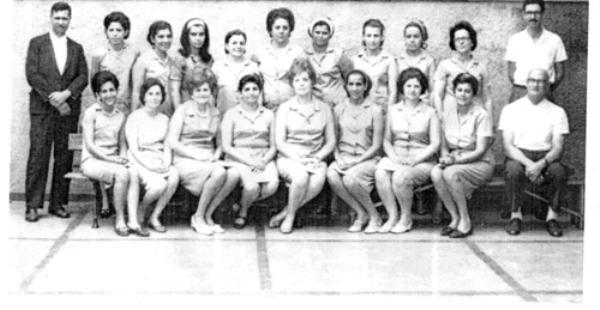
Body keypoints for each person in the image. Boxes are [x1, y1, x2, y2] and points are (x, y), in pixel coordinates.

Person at [24, 1, 88, 222]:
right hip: (42, 110)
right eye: (58, 18)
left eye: (65, 18)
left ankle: (58, 203)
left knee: (64, 157)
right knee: (39, 155)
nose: (61, 22)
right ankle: (32, 205)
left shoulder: (76, 48)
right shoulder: (37, 44)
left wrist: (66, 94)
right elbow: (32, 74)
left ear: (70, 20)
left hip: (67, 111)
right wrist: (54, 97)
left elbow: (83, 77)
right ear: (51, 18)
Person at [167, 67, 240, 235]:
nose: (202, 93)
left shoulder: (215, 113)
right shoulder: (183, 110)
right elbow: (172, 142)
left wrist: (215, 156)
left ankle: (208, 215)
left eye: (205, 90)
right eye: (198, 90)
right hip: (185, 157)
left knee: (234, 173)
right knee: (220, 173)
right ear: (191, 93)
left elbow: (221, 144)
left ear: (211, 92)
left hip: (208, 158)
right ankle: (198, 217)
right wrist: (196, 155)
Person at [498, 68, 569, 238]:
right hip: (519, 155)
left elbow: (558, 148)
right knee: (513, 171)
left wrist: (541, 164)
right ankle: (515, 216)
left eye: (541, 81)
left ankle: (552, 217)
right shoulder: (511, 109)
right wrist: (530, 165)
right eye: (532, 80)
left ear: (547, 85)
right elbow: (508, 146)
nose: (536, 84)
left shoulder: (557, 112)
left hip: (546, 157)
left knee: (558, 172)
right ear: (526, 83)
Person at [271, 58, 335, 233]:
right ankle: (290, 217)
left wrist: (317, 157)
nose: (301, 84)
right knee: (300, 178)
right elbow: (280, 142)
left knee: (317, 182)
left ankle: (285, 212)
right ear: (292, 83)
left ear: (312, 81)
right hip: (290, 157)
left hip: (315, 157)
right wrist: (297, 158)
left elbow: (330, 141)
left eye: (305, 79)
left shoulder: (324, 108)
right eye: (297, 80)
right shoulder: (285, 108)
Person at [375, 68, 440, 233]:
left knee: (401, 176)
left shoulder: (430, 112)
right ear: (402, 88)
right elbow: (387, 140)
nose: (412, 90)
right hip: (397, 156)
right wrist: (394, 157)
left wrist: (416, 159)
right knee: (381, 172)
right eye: (408, 86)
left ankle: (406, 217)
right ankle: (392, 216)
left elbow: (435, 144)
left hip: (422, 160)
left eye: (416, 86)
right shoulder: (393, 110)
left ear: (422, 89)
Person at [431, 73, 494, 238]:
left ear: (474, 94)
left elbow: (480, 150)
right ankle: (454, 218)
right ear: (453, 92)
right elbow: (444, 144)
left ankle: (465, 220)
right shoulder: (447, 113)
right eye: (459, 90)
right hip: (454, 159)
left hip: (480, 162)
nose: (463, 94)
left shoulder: (481, 114)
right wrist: (445, 157)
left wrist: (453, 161)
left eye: (467, 91)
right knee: (436, 172)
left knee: (451, 173)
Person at [326, 70, 384, 233]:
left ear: (365, 86)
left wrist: (356, 162)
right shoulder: (338, 109)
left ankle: (374, 215)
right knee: (331, 174)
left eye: (359, 84)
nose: (355, 88)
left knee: (351, 178)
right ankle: (361, 213)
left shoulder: (375, 110)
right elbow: (334, 140)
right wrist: (337, 157)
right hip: (344, 157)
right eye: (351, 84)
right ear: (346, 86)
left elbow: (376, 145)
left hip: (367, 158)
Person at [221, 74, 279, 229]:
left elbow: (273, 146)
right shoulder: (231, 114)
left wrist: (264, 161)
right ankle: (243, 212)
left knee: (272, 185)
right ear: (240, 93)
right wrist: (249, 162)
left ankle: (240, 203)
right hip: (239, 158)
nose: (251, 92)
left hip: (263, 157)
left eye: (255, 89)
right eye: (247, 89)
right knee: (252, 187)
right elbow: (226, 146)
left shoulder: (269, 114)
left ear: (260, 92)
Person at [125, 78, 180, 236]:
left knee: (174, 175)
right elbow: (133, 149)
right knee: (158, 186)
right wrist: (149, 165)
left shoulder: (165, 119)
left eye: (158, 94)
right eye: (150, 94)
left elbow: (168, 145)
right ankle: (142, 208)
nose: (154, 97)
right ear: (144, 96)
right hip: (140, 158)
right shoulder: (134, 118)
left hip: (159, 157)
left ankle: (154, 216)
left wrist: (167, 161)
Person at [81, 71, 130, 236]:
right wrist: (110, 159)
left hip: (113, 160)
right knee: (122, 174)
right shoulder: (91, 113)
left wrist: (123, 157)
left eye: (112, 90)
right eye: (104, 91)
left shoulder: (121, 115)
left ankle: (133, 215)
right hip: (93, 161)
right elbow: (90, 144)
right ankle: (120, 220)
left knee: (133, 171)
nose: (109, 94)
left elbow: (122, 143)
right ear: (97, 94)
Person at [505, 0, 567, 102]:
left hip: (544, 92)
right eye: (529, 13)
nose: (532, 17)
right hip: (520, 92)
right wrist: (523, 88)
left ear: (542, 14)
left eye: (536, 13)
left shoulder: (555, 40)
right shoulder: (515, 40)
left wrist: (546, 88)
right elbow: (511, 73)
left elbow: (560, 73)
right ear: (524, 14)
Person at [433, 21, 492, 122]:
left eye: (464, 39)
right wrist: (440, 117)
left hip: (475, 117)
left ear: (472, 42)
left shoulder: (481, 67)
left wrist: (489, 123)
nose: (461, 42)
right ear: (453, 43)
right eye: (457, 39)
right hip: (451, 115)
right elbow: (437, 95)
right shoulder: (445, 65)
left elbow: (487, 99)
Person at [252, 7, 304, 110]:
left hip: (292, 108)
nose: (281, 31)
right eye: (277, 27)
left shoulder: (298, 53)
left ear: (290, 30)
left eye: (285, 28)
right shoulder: (259, 53)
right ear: (270, 29)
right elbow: (254, 81)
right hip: (267, 108)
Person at [90, 11, 139, 114]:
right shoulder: (99, 54)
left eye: (119, 30)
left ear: (125, 32)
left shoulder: (134, 53)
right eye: (111, 30)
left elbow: (136, 83)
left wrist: (134, 110)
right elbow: (94, 82)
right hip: (106, 105)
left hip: (126, 105)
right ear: (106, 31)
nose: (115, 34)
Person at [304, 17, 353, 107]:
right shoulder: (304, 56)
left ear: (330, 35)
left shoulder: (338, 55)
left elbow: (351, 78)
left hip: (337, 105)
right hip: (314, 105)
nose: (320, 36)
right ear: (311, 34)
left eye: (324, 33)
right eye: (317, 32)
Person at [351, 19, 398, 110]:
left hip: (381, 109)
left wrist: (390, 115)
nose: (372, 40)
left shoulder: (389, 60)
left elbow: (393, 92)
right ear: (363, 37)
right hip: (360, 109)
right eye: (369, 36)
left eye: (376, 36)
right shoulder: (355, 60)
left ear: (382, 37)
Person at [132, 20, 174, 115]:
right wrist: (134, 117)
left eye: (169, 36)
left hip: (167, 113)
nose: (166, 40)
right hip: (149, 113)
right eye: (161, 37)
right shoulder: (143, 61)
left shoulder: (172, 61)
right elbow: (136, 92)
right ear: (152, 39)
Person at [212, 29, 259, 115]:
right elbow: (212, 94)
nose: (238, 46)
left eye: (241, 43)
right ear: (226, 46)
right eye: (234, 43)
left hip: (248, 118)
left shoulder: (253, 67)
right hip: (223, 117)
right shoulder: (217, 67)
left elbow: (259, 95)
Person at [171, 18, 214, 110]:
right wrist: (179, 114)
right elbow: (175, 90)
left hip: (206, 109)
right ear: (187, 36)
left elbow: (212, 90)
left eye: (201, 34)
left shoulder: (209, 60)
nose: (198, 38)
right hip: (187, 109)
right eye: (193, 34)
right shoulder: (180, 59)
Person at [397, 19, 436, 105]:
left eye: (416, 36)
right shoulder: (398, 60)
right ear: (404, 38)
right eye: (409, 36)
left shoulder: (429, 60)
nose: (412, 40)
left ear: (422, 38)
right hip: (402, 105)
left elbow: (432, 90)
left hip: (423, 105)